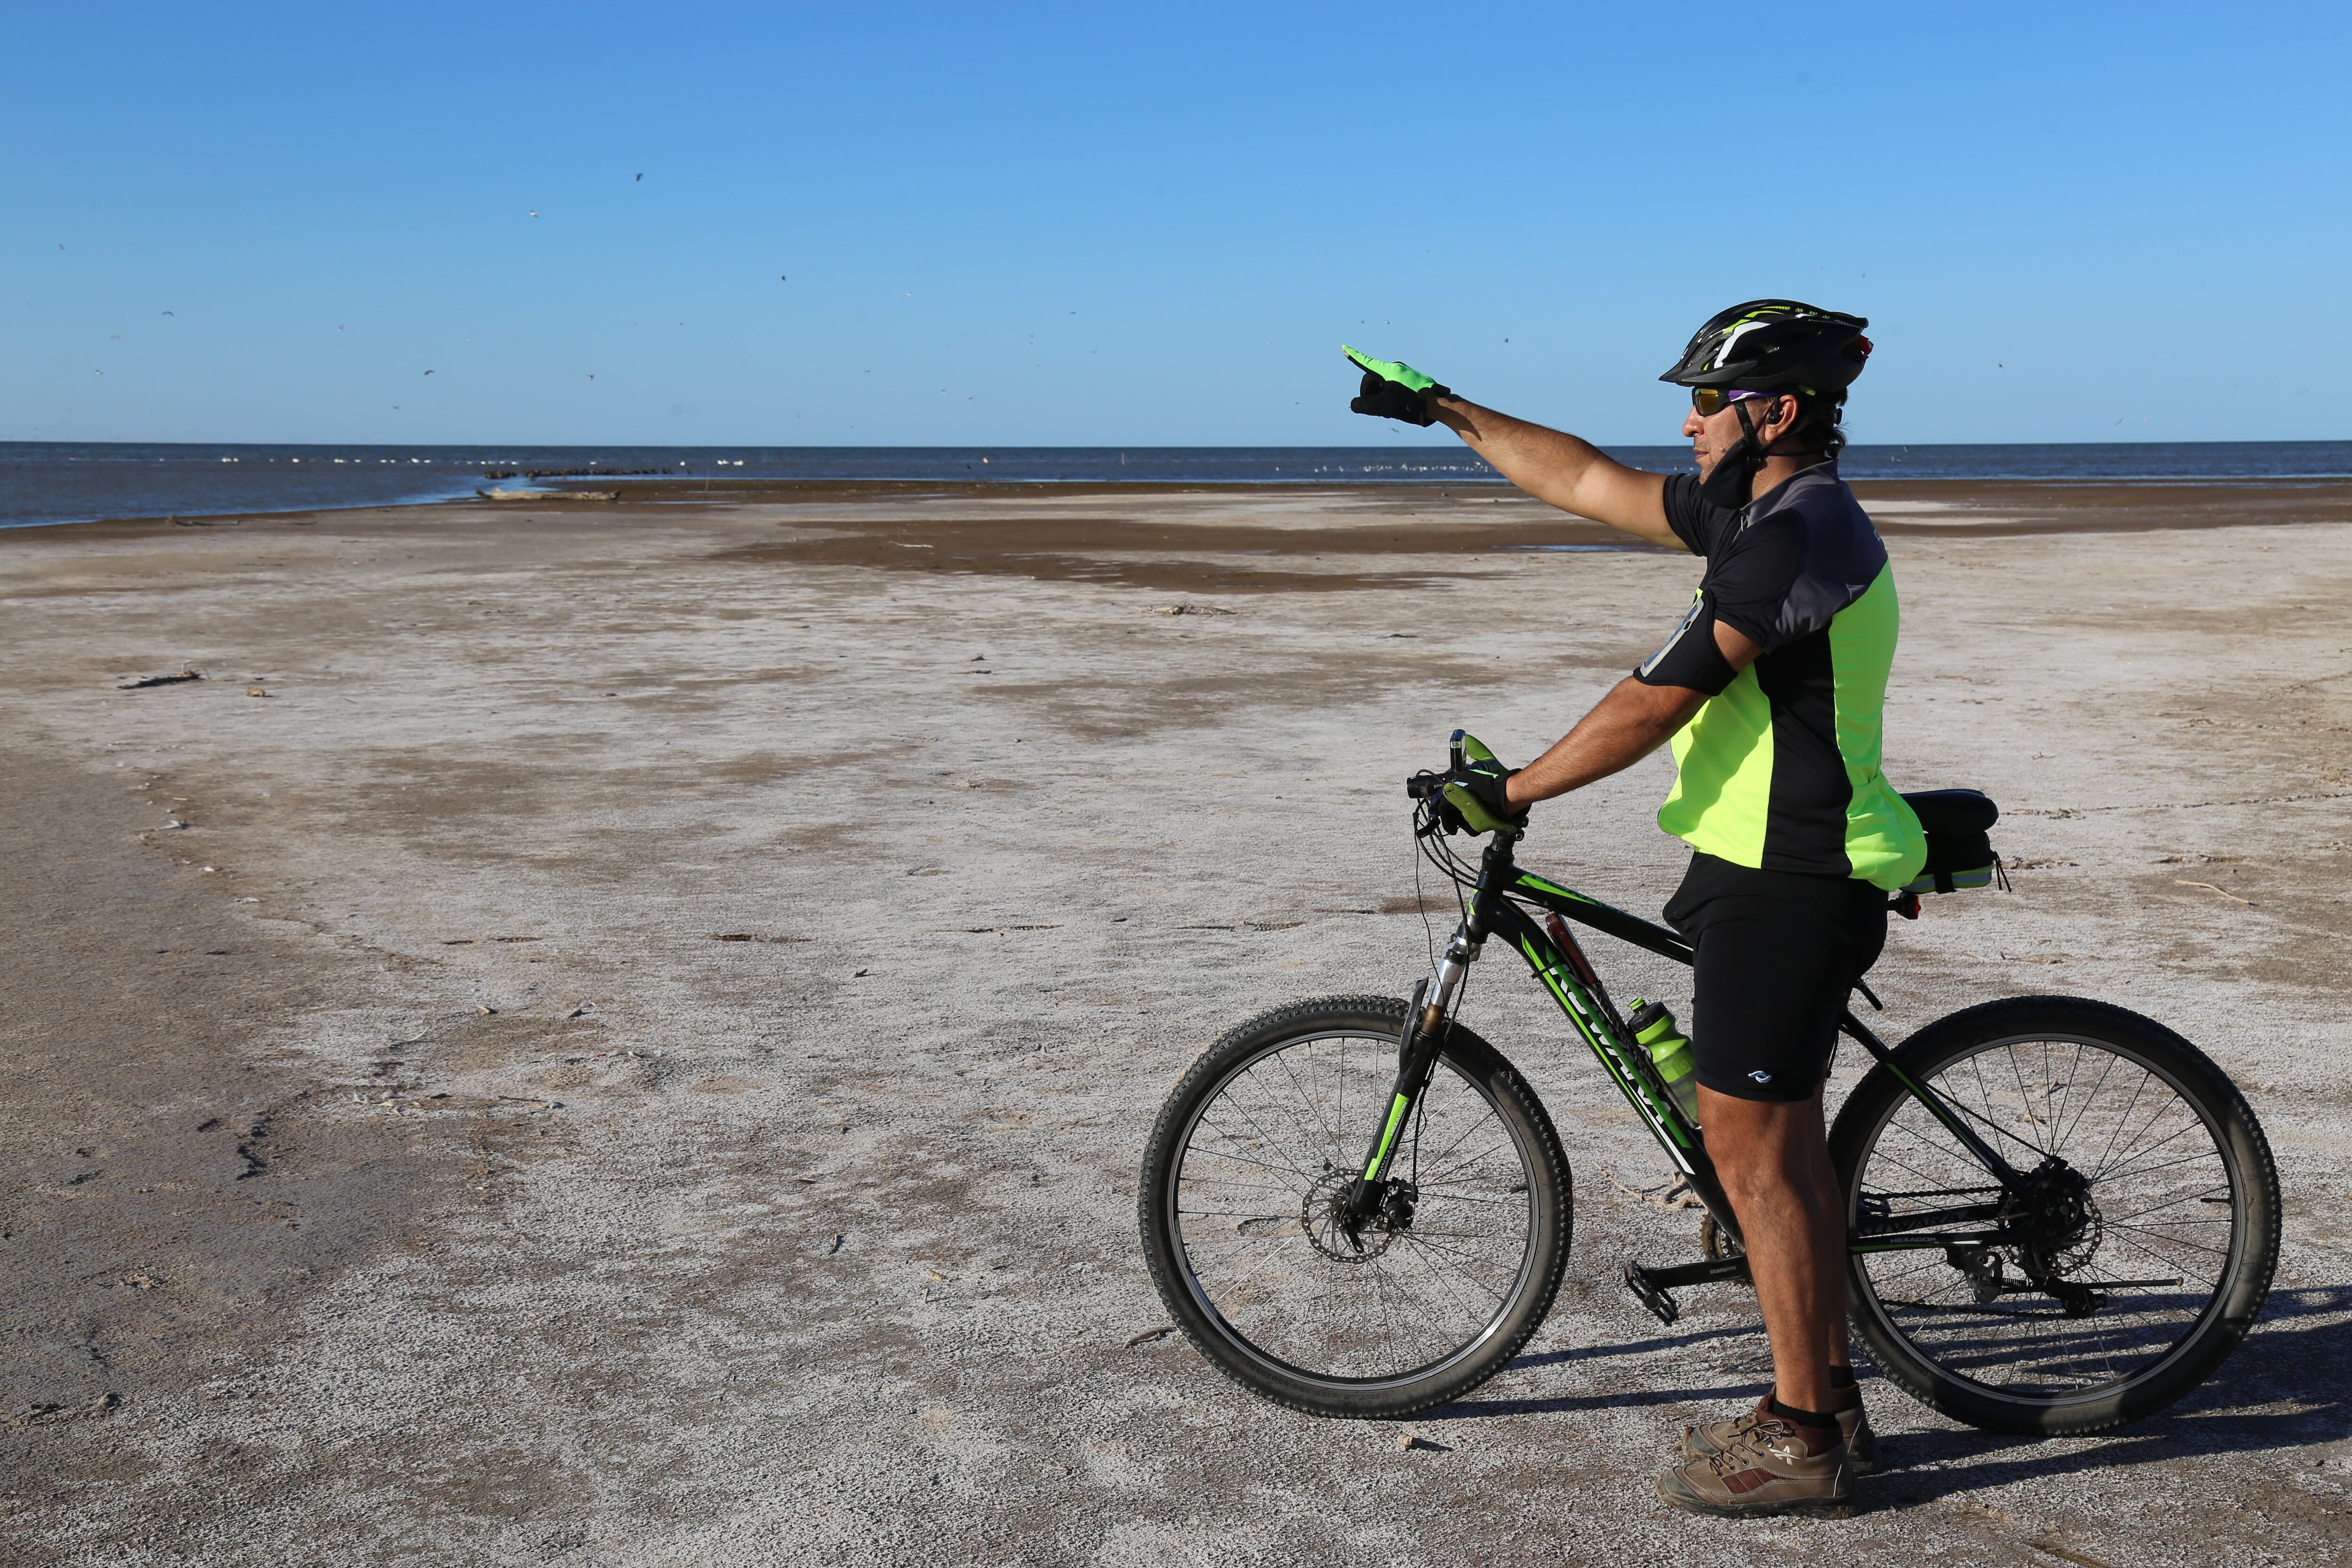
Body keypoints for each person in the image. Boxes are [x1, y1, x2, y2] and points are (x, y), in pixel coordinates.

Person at [1343, 301, 1926, 1519]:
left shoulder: (1797, 534)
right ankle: (1824, 1385)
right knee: (1775, 1149)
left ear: (1773, 411)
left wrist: (1511, 788)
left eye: (1707, 401)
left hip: (1794, 872)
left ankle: (1806, 1431)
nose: (1688, 420)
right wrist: (1446, 407)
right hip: (1755, 862)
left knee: (1759, 1159)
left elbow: (1658, 698)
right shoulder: (1761, 510)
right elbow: (1588, 481)